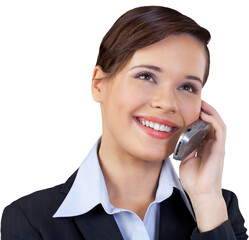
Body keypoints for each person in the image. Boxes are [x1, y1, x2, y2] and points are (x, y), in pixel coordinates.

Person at [1, 5, 248, 240]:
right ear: (98, 85)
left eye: (187, 86)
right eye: (146, 76)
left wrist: (206, 198)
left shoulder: (218, 209)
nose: (167, 103)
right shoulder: (31, 219)